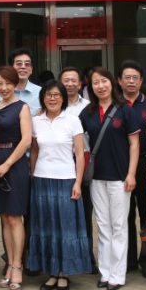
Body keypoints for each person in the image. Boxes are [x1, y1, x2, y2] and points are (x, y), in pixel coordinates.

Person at [79, 66, 140, 290]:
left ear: (112, 83)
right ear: (90, 87)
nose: (100, 86)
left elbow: (134, 144)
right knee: (103, 226)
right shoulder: (87, 112)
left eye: (104, 81)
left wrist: (131, 174)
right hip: (96, 178)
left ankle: (117, 274)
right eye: (95, 83)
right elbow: (75, 137)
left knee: (119, 226)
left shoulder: (125, 110)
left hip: (120, 177)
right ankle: (105, 272)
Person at [28, 80, 92, 290]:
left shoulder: (73, 120)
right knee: (46, 227)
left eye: (56, 94)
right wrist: (32, 175)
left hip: (66, 180)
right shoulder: (36, 121)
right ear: (43, 98)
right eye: (48, 94)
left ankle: (64, 273)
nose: (52, 98)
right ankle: (52, 272)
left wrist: (78, 182)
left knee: (66, 228)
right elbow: (34, 151)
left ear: (63, 98)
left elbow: (80, 155)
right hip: (42, 180)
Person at [0, 65, 33, 290]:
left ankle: (17, 266)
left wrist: (6, 165)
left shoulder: (22, 107)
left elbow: (26, 140)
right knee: (4, 218)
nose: (4, 88)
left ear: (15, 84)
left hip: (14, 165)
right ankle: (9, 264)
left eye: (8, 83)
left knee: (15, 218)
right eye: (0, 84)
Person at [117, 59, 146, 278]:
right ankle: (128, 259)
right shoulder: (114, 105)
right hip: (120, 164)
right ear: (119, 81)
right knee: (123, 214)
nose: (131, 81)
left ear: (141, 81)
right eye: (127, 77)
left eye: (135, 78)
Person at [60, 66, 95, 274]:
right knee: (64, 215)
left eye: (74, 80)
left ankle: (87, 257)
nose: (70, 84)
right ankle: (65, 257)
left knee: (84, 214)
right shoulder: (53, 105)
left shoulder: (89, 107)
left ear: (80, 84)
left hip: (83, 163)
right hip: (59, 165)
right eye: (66, 80)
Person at [0, 48, 42, 114]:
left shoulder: (40, 92)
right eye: (19, 63)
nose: (23, 67)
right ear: (11, 68)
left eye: (27, 64)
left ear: (31, 69)